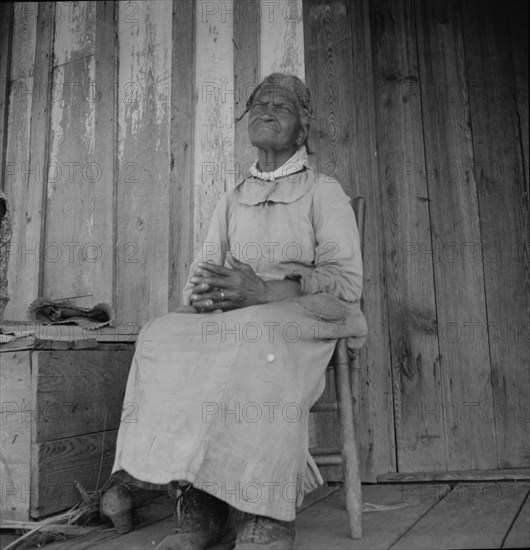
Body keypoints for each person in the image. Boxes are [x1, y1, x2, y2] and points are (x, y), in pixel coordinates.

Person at [111, 73, 367, 550]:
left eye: (281, 107)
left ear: (302, 130)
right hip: (238, 317)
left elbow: (347, 282)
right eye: (259, 104)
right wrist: (210, 295)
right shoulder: (232, 198)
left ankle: (263, 515)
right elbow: (201, 275)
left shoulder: (323, 192)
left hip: (303, 312)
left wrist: (267, 289)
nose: (266, 111)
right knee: (162, 334)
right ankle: (201, 507)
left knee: (255, 338)